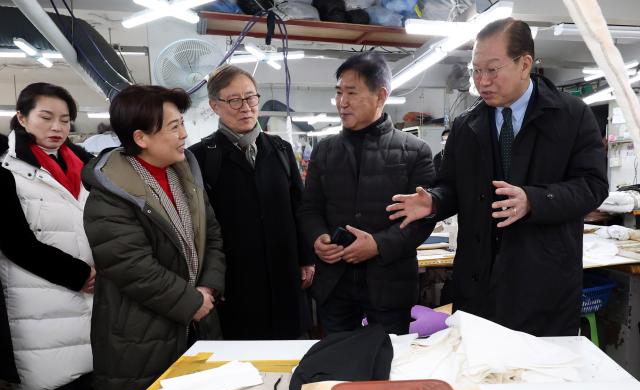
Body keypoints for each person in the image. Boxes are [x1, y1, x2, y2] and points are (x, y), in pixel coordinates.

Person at [387, 18, 608, 337]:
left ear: (524, 64)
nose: (482, 81)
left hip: (542, 283)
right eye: (476, 71)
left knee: (533, 376)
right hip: (478, 282)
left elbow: (593, 185)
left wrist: (534, 200)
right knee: (478, 374)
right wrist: (434, 201)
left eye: (492, 69)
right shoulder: (467, 125)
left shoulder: (572, 117)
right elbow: (451, 185)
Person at [82, 85, 225, 390]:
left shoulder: (185, 175)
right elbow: (131, 266)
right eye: (173, 126)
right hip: (139, 336)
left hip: (199, 321)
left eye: (182, 124)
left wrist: (207, 289)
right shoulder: (111, 193)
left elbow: (213, 237)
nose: (184, 134)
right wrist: (192, 301)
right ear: (141, 138)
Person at [299, 52, 436, 335]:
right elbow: (309, 208)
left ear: (380, 95)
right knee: (337, 363)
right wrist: (318, 238)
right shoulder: (325, 150)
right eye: (338, 93)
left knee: (388, 362)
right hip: (335, 282)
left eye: (352, 92)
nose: (342, 102)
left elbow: (423, 219)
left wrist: (378, 244)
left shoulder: (415, 151)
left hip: (390, 284)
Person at [189, 65, 313, 340]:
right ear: (214, 105)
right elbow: (199, 228)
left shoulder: (280, 149)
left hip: (285, 276)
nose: (245, 107)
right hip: (236, 281)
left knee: (294, 356)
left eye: (250, 98)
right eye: (234, 100)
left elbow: (299, 207)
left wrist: (306, 259)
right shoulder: (199, 157)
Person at [0, 82, 95, 390]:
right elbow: (15, 241)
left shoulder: (85, 167)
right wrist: (79, 274)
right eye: (46, 117)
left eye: (65, 120)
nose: (57, 128)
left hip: (88, 299)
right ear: (22, 119)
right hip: (40, 302)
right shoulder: (6, 168)